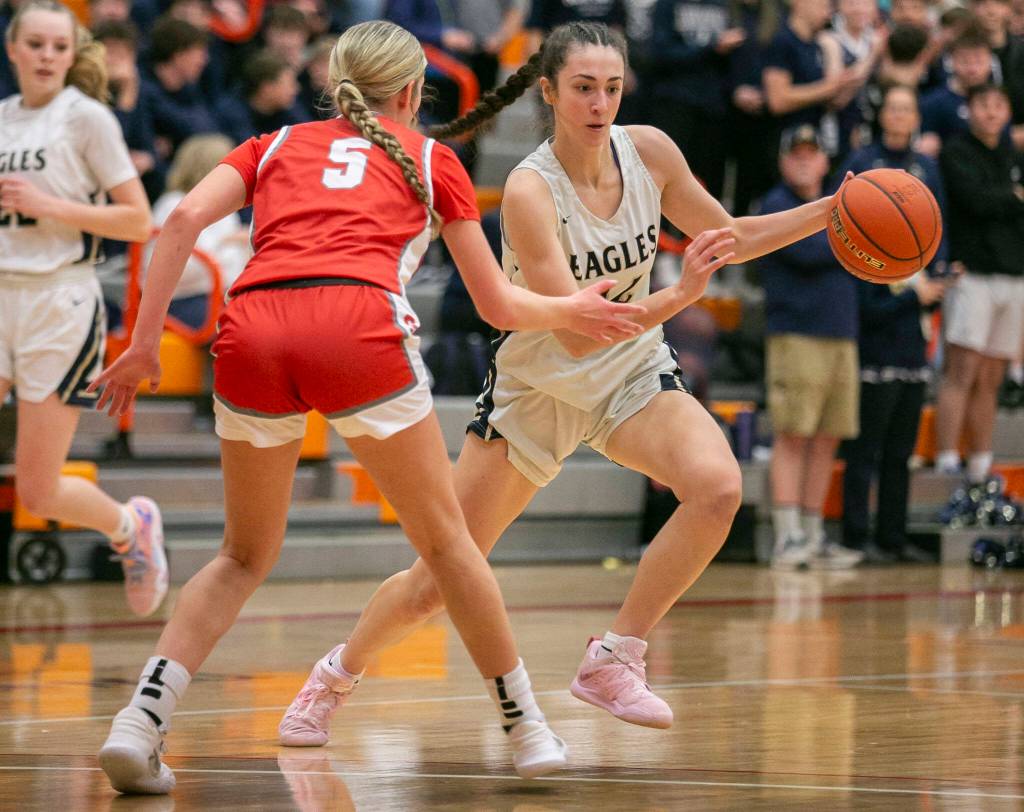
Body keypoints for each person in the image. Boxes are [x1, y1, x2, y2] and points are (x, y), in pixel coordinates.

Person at [90, 20, 648, 795]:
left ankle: (139, 722)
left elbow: (179, 220)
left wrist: (145, 343)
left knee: (243, 556)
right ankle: (526, 726)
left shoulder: (272, 144)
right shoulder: (430, 158)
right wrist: (571, 311)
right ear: (414, 91)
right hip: (355, 327)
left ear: (334, 82)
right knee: (451, 546)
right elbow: (495, 302)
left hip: (252, 331)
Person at [276, 21, 841, 747]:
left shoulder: (651, 152)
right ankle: (332, 678)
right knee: (436, 580)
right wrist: (680, 297)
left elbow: (727, 233)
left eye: (611, 87)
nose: (599, 103)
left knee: (718, 488)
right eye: (582, 88)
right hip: (539, 388)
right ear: (548, 91)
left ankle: (616, 657)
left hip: (632, 372)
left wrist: (829, 213)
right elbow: (576, 330)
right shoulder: (528, 189)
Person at [0, 0, 164, 614]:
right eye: (35, 45)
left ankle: (129, 527)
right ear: (13, 50)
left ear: (72, 56)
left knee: (38, 492)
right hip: (2, 292)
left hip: (58, 299)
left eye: (58, 47)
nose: (46, 56)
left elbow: (137, 218)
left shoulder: (87, 119)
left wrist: (53, 207)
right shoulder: (2, 119)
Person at [838, 84, 950, 563]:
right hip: (874, 308)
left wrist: (935, 276)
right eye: (894, 106)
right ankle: (855, 536)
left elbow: (936, 231)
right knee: (867, 444)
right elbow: (853, 231)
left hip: (914, 324)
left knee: (901, 446)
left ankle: (893, 535)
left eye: (909, 107)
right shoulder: (863, 162)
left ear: (915, 116)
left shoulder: (928, 168)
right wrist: (906, 287)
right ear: (883, 113)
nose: (901, 114)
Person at [758, 124, 863, 570]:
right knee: (793, 435)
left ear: (826, 161)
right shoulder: (777, 206)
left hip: (841, 334)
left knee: (827, 438)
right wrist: (856, 231)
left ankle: (814, 535)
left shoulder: (841, 212)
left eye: (812, 153)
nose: (804, 160)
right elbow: (816, 251)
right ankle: (787, 538)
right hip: (795, 334)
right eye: (795, 153)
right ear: (783, 161)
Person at [934, 83, 1024, 482]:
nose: (990, 112)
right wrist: (1014, 197)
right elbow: (975, 201)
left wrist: (1007, 197)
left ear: (1007, 113)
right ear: (969, 110)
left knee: (992, 376)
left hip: (1013, 274)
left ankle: (980, 462)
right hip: (972, 275)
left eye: (998, 105)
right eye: (983, 104)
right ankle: (947, 458)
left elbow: (998, 202)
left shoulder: (1014, 154)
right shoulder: (956, 153)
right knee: (962, 370)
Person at [147, 134, 248, 330]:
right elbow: (186, 270)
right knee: (245, 328)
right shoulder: (173, 204)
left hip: (218, 295)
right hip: (181, 301)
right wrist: (230, 245)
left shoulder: (224, 207)